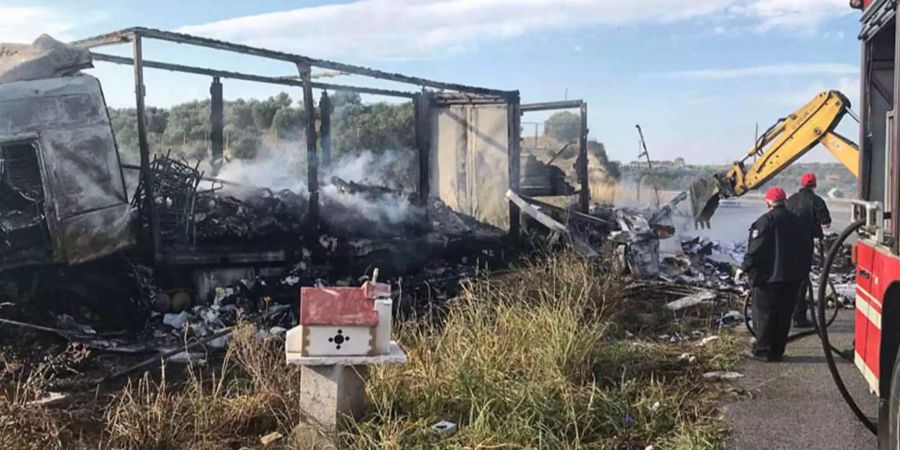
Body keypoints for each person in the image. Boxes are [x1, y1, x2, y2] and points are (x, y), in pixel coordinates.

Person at [740, 187, 813, 362]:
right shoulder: (798, 222)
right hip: (792, 279)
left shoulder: (765, 222)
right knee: (784, 315)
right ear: (784, 201)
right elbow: (807, 249)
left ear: (768, 202)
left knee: (764, 315)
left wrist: (744, 268)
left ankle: (764, 351)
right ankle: (778, 350)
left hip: (768, 279)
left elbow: (756, 250)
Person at [785, 173, 832, 328]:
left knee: (787, 279)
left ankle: (786, 315)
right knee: (801, 281)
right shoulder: (817, 201)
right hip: (805, 245)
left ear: (801, 183)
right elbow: (826, 224)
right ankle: (799, 317)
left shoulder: (790, 200)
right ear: (814, 185)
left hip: (787, 245)